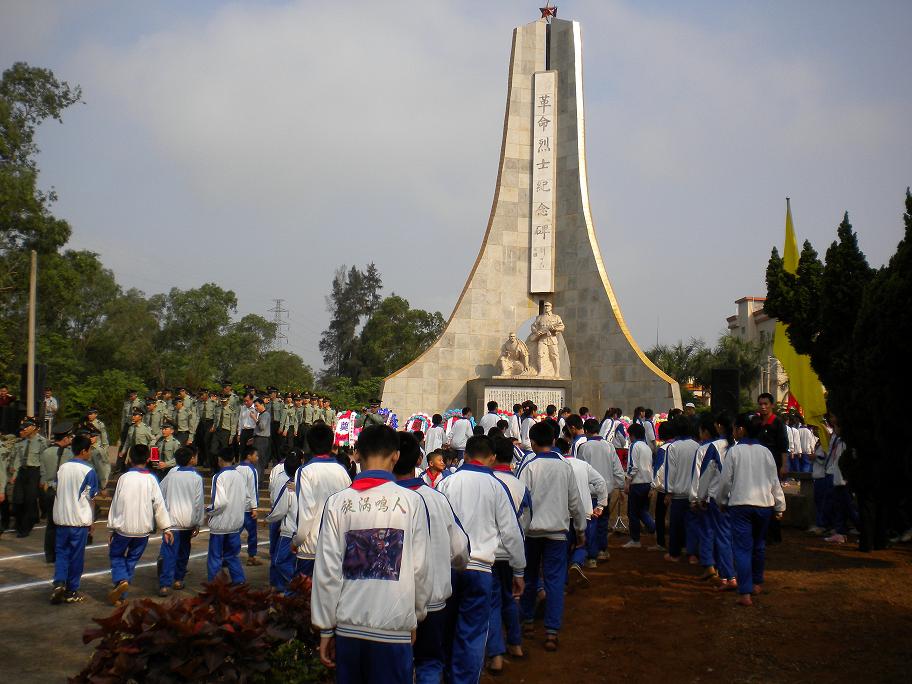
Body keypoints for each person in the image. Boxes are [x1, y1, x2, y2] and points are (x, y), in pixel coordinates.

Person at [311, 424, 433, 683]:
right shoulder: (412, 502)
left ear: (356, 454)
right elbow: (420, 568)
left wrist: (325, 628)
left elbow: (327, 570)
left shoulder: (337, 503)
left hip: (349, 627)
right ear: (395, 456)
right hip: (394, 622)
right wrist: (416, 614)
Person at [437, 435, 525, 682]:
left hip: (449, 568)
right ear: (493, 458)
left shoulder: (447, 483)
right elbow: (510, 531)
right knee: (473, 633)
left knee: (446, 628)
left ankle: (444, 675)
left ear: (465, 455)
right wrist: (519, 570)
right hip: (481, 568)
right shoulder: (496, 486)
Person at [394, 432, 470, 684]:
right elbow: (459, 549)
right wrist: (457, 568)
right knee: (429, 661)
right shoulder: (437, 499)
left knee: (397, 665)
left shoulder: (380, 500)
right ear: (419, 460)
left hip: (392, 602)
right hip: (434, 598)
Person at [516, 422, 585, 651]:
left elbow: (521, 504)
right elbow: (575, 502)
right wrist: (581, 529)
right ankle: (551, 631)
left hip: (532, 532)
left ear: (533, 443)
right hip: (557, 532)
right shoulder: (565, 467)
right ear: (554, 441)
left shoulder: (529, 467)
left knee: (530, 576)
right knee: (555, 581)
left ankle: (527, 621)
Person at [716, 413, 786, 607]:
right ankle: (756, 582)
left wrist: (721, 501)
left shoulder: (735, 452)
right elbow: (774, 481)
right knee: (759, 545)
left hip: (740, 505)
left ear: (741, 429)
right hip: (764, 505)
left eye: (734, 428)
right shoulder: (766, 452)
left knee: (742, 548)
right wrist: (779, 506)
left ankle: (745, 591)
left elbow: (725, 482)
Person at [485, 437, 531, 675]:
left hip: (489, 554)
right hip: (512, 552)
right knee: (510, 597)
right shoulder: (519, 485)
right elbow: (524, 522)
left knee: (493, 603)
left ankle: (496, 654)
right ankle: (515, 643)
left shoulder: (486, 482)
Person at [107, 444, 173, 606]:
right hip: (143, 530)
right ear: (148, 459)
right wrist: (166, 528)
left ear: (129, 459)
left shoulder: (123, 478)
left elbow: (116, 503)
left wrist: (112, 527)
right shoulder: (151, 479)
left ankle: (120, 581)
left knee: (116, 555)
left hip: (124, 528)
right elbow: (159, 504)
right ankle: (122, 590)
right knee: (132, 559)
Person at [292, 423, 352, 577]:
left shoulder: (305, 471)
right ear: (331, 443)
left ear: (310, 444)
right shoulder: (342, 471)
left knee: (304, 596)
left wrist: (297, 540)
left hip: (311, 547)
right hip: (337, 547)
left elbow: (306, 512)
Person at [50, 434, 100, 604]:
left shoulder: (63, 467)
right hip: (78, 521)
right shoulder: (88, 470)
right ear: (84, 450)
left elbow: (56, 487)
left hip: (61, 519)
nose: (90, 453)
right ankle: (72, 590)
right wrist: (92, 521)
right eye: (89, 450)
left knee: (62, 553)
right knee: (76, 556)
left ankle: (59, 582)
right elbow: (91, 497)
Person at [693, 412, 736, 588]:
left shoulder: (714, 447)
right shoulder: (738, 446)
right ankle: (730, 573)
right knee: (731, 537)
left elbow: (705, 474)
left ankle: (727, 575)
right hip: (738, 497)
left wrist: (698, 496)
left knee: (718, 535)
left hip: (716, 497)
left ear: (718, 426)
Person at [157, 447, 204, 596]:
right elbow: (198, 502)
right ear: (191, 459)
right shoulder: (196, 478)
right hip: (188, 521)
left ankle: (165, 584)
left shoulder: (171, 475)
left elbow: (160, 492)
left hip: (172, 522)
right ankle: (178, 579)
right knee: (184, 552)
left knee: (169, 552)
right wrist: (198, 522)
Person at [577, 418, 626, 561]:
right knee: (603, 521)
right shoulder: (609, 446)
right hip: (606, 490)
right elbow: (617, 468)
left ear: (586, 431)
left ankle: (592, 555)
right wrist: (621, 487)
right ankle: (602, 550)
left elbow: (580, 468)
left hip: (590, 491)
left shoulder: (584, 447)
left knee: (591, 522)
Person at [564, 428, 609, 577]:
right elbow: (601, 483)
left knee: (564, 545)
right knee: (583, 541)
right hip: (584, 511)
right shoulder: (582, 465)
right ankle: (580, 562)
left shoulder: (557, 466)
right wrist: (600, 505)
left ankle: (565, 574)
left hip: (564, 514)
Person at [655, 416, 700, 563]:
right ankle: (692, 553)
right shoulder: (697, 445)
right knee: (692, 524)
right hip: (694, 493)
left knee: (676, 525)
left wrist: (668, 492)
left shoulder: (673, 447)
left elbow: (670, 472)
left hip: (679, 493)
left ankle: (674, 553)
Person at [206, 448, 247, 584]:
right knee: (232, 555)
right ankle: (239, 580)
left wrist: (209, 512)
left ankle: (215, 584)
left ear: (220, 460)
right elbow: (245, 498)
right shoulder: (240, 476)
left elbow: (219, 502)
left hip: (220, 523)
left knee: (215, 556)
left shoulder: (218, 476)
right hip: (235, 522)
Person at [265, 451, 302, 591]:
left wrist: (268, 518)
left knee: (278, 560)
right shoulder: (306, 485)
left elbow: (280, 508)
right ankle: (283, 588)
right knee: (290, 561)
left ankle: (297, 583)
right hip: (301, 529)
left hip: (288, 530)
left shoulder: (289, 487)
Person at [40, 422, 74, 562]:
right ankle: (62, 553)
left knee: (50, 525)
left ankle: (49, 554)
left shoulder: (46, 452)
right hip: (63, 493)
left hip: (49, 491)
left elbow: (42, 476)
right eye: (69, 437)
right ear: (65, 438)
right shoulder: (69, 453)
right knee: (64, 524)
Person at [11, 417, 49, 537]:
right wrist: (14, 474)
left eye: (26, 427)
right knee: (17, 499)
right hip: (22, 472)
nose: (24, 429)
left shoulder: (42, 442)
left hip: (34, 472)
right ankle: (20, 523)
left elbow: (43, 461)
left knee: (29, 500)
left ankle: (25, 528)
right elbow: (18, 459)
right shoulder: (21, 442)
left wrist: (43, 478)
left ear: (33, 428)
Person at [824, 413, 858, 544]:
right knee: (840, 506)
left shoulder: (845, 441)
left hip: (843, 479)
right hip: (836, 477)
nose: (831, 420)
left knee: (848, 507)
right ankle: (840, 532)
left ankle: (863, 528)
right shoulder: (836, 438)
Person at [622, 422, 655, 548]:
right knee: (642, 510)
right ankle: (652, 528)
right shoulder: (646, 447)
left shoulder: (634, 446)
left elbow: (632, 466)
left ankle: (636, 539)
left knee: (633, 513)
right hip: (647, 482)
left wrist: (627, 482)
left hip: (637, 483)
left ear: (633, 435)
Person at [237, 445, 262, 566]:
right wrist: (254, 507)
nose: (257, 457)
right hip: (248, 508)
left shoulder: (236, 468)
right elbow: (253, 490)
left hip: (237, 506)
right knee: (252, 534)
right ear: (249, 456)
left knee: (235, 533)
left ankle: (230, 555)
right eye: (255, 455)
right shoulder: (251, 470)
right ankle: (251, 557)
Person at [117, 407, 154, 474]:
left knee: (142, 472)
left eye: (135, 415)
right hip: (132, 453)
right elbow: (127, 441)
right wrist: (123, 451)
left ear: (140, 417)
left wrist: (149, 453)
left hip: (142, 454)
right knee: (130, 470)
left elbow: (152, 440)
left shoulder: (145, 428)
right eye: (133, 415)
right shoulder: (131, 428)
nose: (133, 417)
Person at [210, 395, 238, 468]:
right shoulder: (218, 408)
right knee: (213, 450)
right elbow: (216, 420)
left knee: (224, 451)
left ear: (227, 400)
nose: (223, 402)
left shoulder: (231, 410)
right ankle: (215, 467)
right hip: (217, 431)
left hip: (226, 432)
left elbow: (233, 424)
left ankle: (225, 467)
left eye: (224, 401)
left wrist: (232, 436)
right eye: (222, 401)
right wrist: (213, 426)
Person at [252, 397, 271, 476]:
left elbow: (262, 427)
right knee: (256, 461)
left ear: (262, 405)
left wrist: (254, 418)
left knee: (259, 461)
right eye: (255, 406)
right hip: (258, 439)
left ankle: (259, 481)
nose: (256, 408)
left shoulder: (265, 414)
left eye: (257, 406)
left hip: (262, 440)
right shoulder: (261, 414)